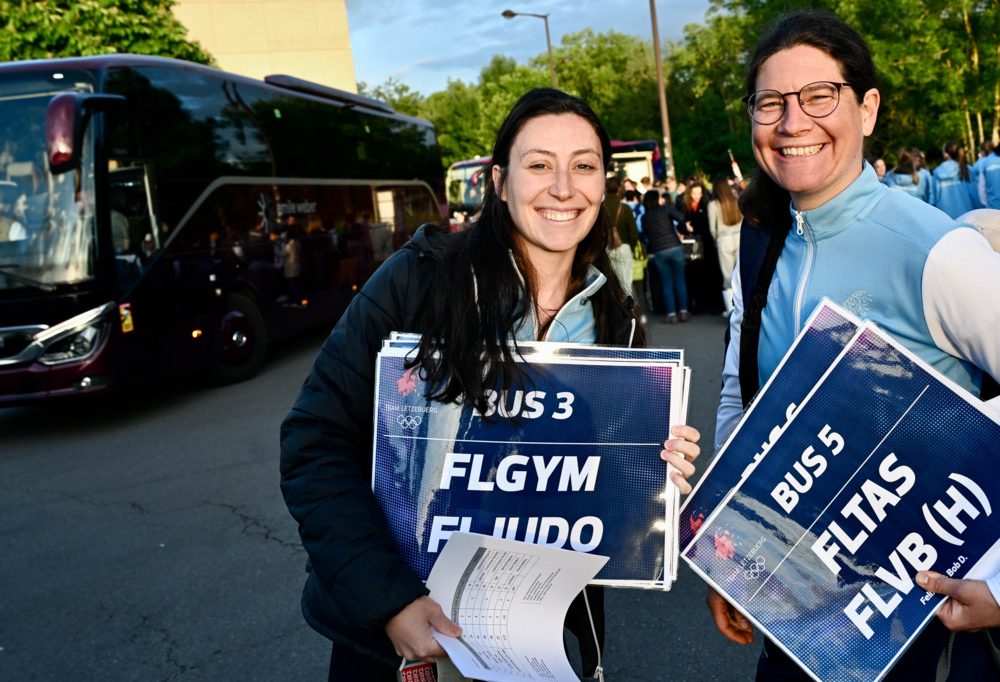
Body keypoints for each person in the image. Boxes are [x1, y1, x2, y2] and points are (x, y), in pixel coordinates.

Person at [280, 88, 702, 681]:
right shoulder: (419, 281)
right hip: (399, 638)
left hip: (537, 642)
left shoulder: (617, 318)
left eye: (583, 166)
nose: (563, 187)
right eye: (538, 166)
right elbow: (315, 442)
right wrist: (390, 600)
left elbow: (599, 484)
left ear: (604, 184)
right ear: (500, 183)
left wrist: (652, 473)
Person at [711, 9, 1000, 680]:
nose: (792, 122)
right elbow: (741, 398)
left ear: (867, 109)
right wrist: (735, 558)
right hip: (798, 613)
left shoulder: (935, 249)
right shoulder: (760, 240)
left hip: (922, 626)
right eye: (771, 103)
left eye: (819, 97)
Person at [641, 188, 688, 323]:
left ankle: (671, 314)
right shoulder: (666, 209)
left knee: (666, 284)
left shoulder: (645, 217)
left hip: (659, 251)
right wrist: (681, 230)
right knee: (680, 281)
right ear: (657, 199)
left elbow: (646, 235)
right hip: (675, 246)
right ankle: (683, 312)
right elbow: (681, 217)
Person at [707, 177, 742, 316]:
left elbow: (712, 228)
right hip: (739, 236)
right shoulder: (736, 199)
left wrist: (717, 239)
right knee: (741, 274)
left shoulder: (714, 204)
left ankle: (731, 311)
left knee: (728, 277)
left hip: (724, 239)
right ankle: (743, 307)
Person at [932, 141, 977, 218]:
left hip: (946, 219)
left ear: (946, 154)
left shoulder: (937, 172)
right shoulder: (966, 169)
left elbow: (934, 199)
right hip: (967, 217)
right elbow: (974, 195)